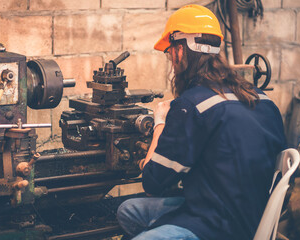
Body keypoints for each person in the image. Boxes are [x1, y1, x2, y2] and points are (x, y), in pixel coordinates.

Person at [116, 4, 286, 240]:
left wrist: (160, 122)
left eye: (169, 53)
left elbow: (153, 183)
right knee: (128, 211)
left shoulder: (192, 105)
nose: (171, 61)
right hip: (252, 214)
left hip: (216, 226)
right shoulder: (264, 100)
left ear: (179, 51)